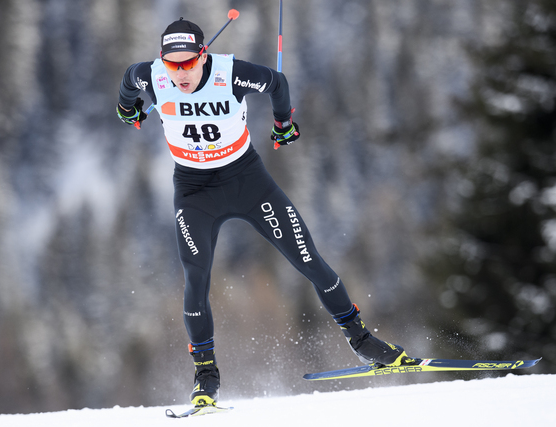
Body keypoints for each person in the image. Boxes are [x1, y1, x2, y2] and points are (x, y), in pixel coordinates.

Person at [116, 17, 411, 407]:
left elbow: (276, 82)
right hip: (194, 191)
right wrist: (128, 109)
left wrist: (282, 124)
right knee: (196, 280)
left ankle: (362, 340)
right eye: (173, 65)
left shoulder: (231, 73)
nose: (181, 73)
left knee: (309, 259)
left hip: (246, 180)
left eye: (188, 63)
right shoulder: (150, 76)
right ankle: (206, 376)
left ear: (203, 56)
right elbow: (127, 81)